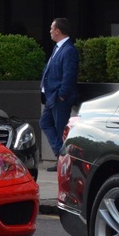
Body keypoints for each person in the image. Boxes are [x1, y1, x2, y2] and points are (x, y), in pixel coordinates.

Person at [40, 18, 79, 171]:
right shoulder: (57, 48)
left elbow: (69, 75)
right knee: (45, 123)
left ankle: (64, 161)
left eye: (52, 28)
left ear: (58, 30)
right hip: (52, 97)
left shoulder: (69, 49)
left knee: (61, 128)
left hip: (59, 98)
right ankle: (61, 155)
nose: (50, 31)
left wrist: (61, 95)